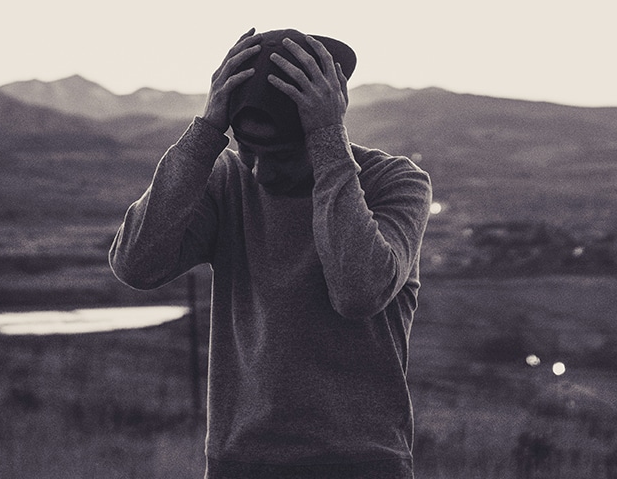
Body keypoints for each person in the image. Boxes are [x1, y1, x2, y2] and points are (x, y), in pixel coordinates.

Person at [108, 28, 433, 479]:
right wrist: (205, 132)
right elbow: (136, 265)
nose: (259, 171)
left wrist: (328, 142)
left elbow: (357, 292)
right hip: (240, 462)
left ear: (324, 127)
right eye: (249, 150)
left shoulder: (394, 182)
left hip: (361, 463)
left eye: (279, 155)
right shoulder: (226, 180)